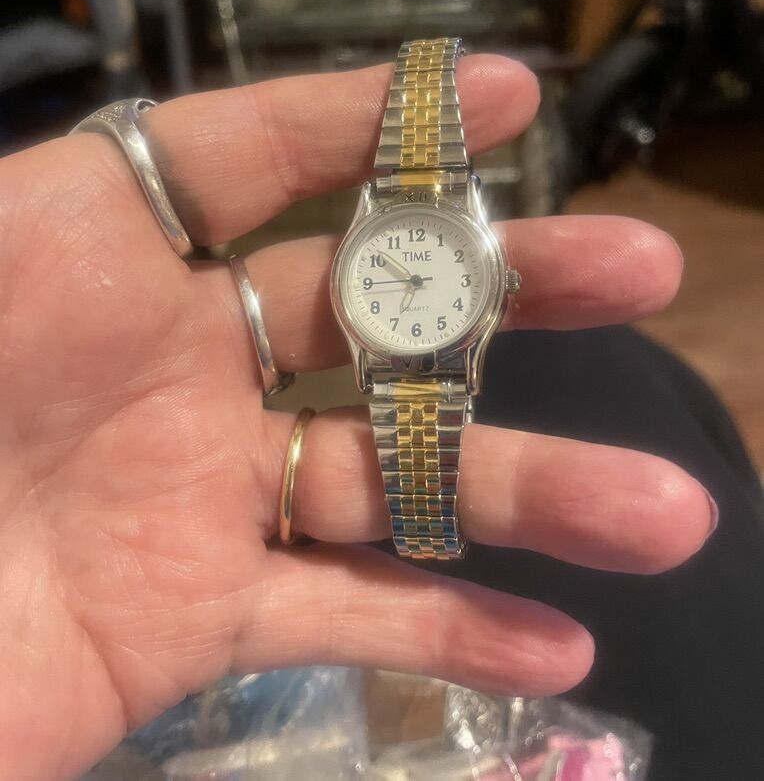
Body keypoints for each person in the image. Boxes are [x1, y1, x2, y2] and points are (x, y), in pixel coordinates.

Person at [0, 56, 725, 779]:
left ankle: (425, 524)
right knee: (621, 371)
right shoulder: (392, 260)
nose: (410, 275)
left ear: (496, 287)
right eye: (394, 269)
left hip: (434, 360)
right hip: (396, 358)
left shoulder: (445, 260)